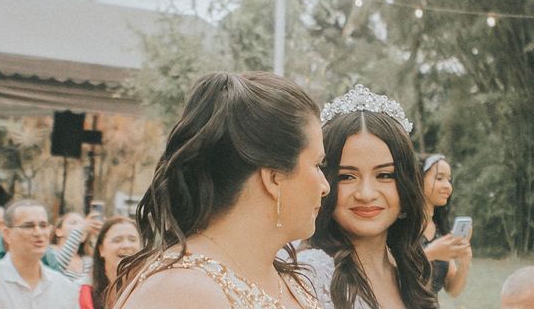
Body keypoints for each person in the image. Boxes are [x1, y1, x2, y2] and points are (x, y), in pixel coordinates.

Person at [113, 71, 330, 309]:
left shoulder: (293, 283)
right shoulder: (179, 292)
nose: (325, 187)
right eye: (317, 165)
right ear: (274, 178)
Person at [299, 85, 437, 308]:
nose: (366, 194)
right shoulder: (309, 277)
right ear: (326, 182)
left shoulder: (410, 273)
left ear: (406, 182)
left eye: (384, 175)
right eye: (347, 177)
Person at [0, 199, 79, 309]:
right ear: (7, 234)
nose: (38, 233)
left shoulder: (64, 287)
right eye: (28, 226)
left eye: (43, 226)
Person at [421, 154, 472, 297]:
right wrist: (430, 254)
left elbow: (452, 290)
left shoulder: (439, 230)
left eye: (449, 180)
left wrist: (465, 262)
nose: (448, 186)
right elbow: (388, 276)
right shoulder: (398, 227)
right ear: (418, 180)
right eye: (439, 178)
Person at [79, 217, 141, 309]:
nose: (126, 245)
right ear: (101, 249)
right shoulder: (83, 291)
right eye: (117, 240)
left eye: (132, 239)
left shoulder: (151, 285)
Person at [50, 211, 101, 282]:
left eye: (83, 225)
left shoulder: (88, 261)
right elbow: (56, 269)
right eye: (73, 223)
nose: (82, 227)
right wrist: (80, 229)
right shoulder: (48, 252)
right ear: (59, 231)